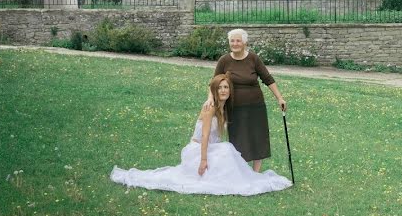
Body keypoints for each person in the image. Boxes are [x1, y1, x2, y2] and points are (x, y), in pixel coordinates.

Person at [110, 75, 292, 195]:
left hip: (211, 148)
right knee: (227, 150)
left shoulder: (224, 108)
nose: (223, 90)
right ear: (214, 90)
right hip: (198, 150)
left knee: (227, 150)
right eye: (220, 88)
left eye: (226, 87)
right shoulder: (210, 108)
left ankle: (244, 178)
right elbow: (204, 137)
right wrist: (203, 160)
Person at [207, 29, 287, 172]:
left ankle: (255, 173)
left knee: (258, 137)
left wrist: (279, 98)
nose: (235, 43)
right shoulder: (224, 60)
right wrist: (210, 98)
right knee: (238, 138)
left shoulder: (253, 59)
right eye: (232, 41)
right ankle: (240, 171)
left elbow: (268, 79)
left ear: (244, 43)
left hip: (255, 106)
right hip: (234, 107)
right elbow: (214, 82)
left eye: (238, 41)